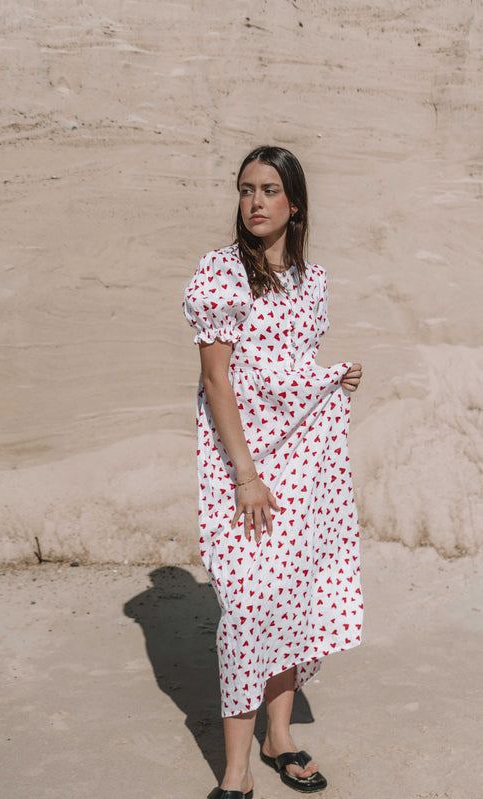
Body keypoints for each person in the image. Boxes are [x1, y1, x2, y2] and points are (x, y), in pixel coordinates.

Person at [183, 146, 363, 799]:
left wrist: (336, 381)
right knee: (246, 607)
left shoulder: (310, 280)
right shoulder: (221, 273)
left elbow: (293, 371)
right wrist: (245, 473)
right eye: (244, 189)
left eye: (267, 189)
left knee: (291, 593)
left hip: (300, 462)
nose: (254, 201)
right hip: (241, 465)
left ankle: (278, 736)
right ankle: (235, 770)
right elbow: (216, 378)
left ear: (294, 203)